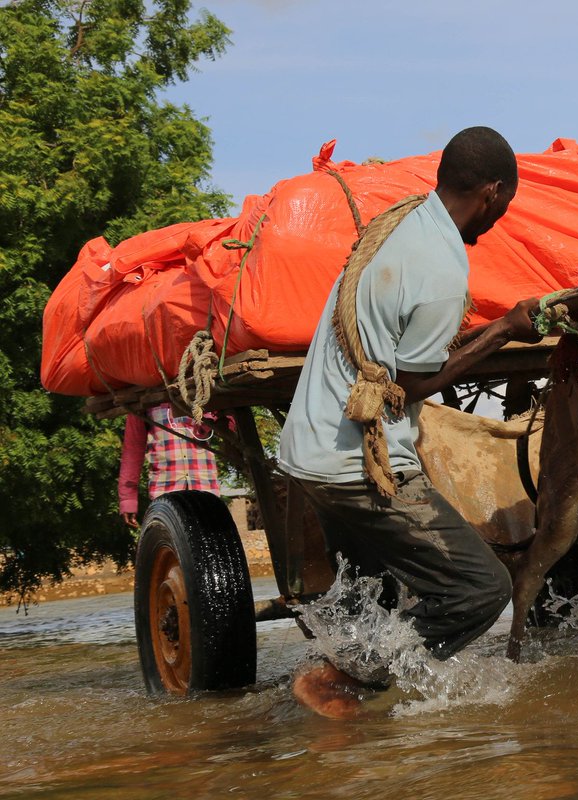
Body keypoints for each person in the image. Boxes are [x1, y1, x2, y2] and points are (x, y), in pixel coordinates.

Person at [278, 126, 542, 719]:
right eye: (504, 208)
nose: (498, 221)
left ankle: (344, 727)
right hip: (355, 463)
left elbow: (399, 360)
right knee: (481, 589)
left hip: (310, 450)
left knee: (370, 592)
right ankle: (343, 682)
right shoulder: (443, 266)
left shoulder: (403, 221)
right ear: (493, 193)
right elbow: (413, 385)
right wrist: (502, 330)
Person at [119, 403, 222, 527]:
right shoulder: (144, 399)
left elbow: (230, 423)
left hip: (205, 488)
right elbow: (133, 449)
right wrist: (128, 498)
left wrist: (214, 418)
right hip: (165, 491)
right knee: (169, 542)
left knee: (210, 542)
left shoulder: (201, 395)